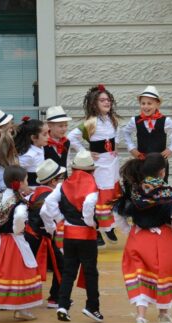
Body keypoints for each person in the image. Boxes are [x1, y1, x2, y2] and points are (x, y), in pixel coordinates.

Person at [113, 153, 172, 323]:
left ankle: (141, 319)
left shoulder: (136, 189)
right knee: (164, 276)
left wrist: (128, 231)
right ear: (162, 171)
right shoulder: (166, 191)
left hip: (138, 238)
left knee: (140, 278)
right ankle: (163, 315)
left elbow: (118, 212)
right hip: (162, 238)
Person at [41, 150, 103, 323]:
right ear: (91, 170)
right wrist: (90, 222)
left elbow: (49, 203)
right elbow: (89, 205)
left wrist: (60, 218)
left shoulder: (63, 185)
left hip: (68, 233)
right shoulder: (92, 185)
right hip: (86, 235)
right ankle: (92, 307)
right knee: (90, 272)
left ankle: (62, 305)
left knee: (69, 271)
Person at [0, 166, 41, 321]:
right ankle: (21, 309)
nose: (27, 182)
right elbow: (20, 218)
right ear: (20, 183)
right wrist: (18, 230)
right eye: (26, 180)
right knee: (21, 272)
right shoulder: (19, 203)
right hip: (14, 241)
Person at [68, 84, 121, 247]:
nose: (107, 102)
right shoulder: (91, 122)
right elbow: (71, 137)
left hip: (112, 163)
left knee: (112, 194)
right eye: (102, 100)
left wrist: (115, 146)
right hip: (98, 165)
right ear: (94, 103)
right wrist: (85, 152)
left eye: (108, 99)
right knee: (98, 195)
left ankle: (109, 225)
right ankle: (96, 228)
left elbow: (116, 135)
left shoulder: (113, 119)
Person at [120, 85, 172, 182]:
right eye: (143, 103)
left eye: (149, 103)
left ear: (157, 104)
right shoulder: (135, 120)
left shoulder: (165, 121)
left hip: (160, 162)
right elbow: (126, 132)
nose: (146, 106)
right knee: (142, 184)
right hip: (142, 161)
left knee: (160, 186)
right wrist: (132, 148)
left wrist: (171, 148)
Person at [25, 159, 66, 308]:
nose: (63, 180)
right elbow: (45, 214)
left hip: (29, 236)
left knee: (24, 268)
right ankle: (56, 298)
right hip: (40, 238)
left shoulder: (35, 192)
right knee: (62, 265)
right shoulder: (51, 196)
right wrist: (51, 230)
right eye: (61, 177)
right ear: (54, 181)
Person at [15, 116, 49, 187]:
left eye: (48, 133)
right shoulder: (28, 155)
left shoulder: (40, 146)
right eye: (45, 134)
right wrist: (24, 187)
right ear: (33, 138)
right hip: (32, 188)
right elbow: (17, 173)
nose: (48, 137)